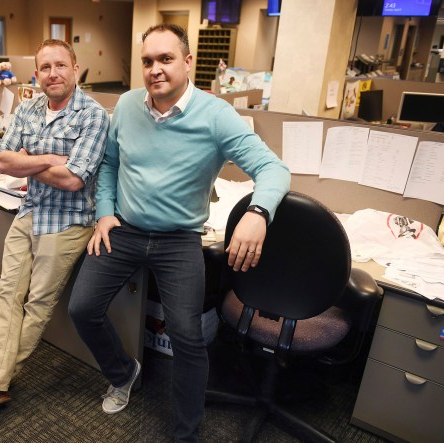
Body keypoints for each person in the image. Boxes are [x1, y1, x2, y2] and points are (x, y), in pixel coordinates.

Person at [67, 24, 291, 443]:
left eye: (166, 59)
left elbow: (274, 169)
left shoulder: (216, 115)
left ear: (187, 62)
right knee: (82, 308)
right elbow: (110, 165)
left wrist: (258, 212)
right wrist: (104, 213)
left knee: (187, 336)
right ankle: (124, 372)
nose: (155, 70)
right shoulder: (129, 105)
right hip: (125, 230)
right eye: (147, 61)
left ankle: (187, 434)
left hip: (178, 240)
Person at [0, 39, 109, 416]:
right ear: (36, 74)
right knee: (8, 296)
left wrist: (29, 160)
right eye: (45, 67)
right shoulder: (29, 107)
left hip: (68, 221)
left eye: (60, 65)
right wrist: (51, 158)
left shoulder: (93, 115)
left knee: (37, 304)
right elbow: (3, 160)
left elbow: (74, 181)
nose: (53, 73)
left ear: (75, 68)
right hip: (29, 211)